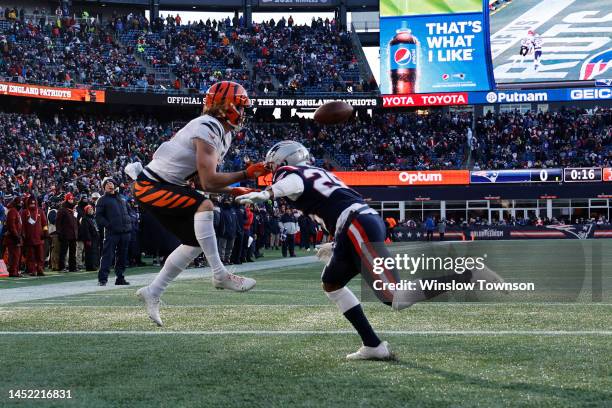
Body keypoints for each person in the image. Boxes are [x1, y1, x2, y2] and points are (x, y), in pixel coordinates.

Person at [236, 141, 505, 360]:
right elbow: (333, 202)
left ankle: (468, 275)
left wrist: (268, 193)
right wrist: (338, 240)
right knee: (332, 284)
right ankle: (373, 345)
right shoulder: (323, 173)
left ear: (284, 160)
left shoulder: (290, 174)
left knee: (395, 297)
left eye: (273, 165)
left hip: (356, 224)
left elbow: (295, 183)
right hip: (356, 223)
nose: (271, 169)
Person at [131, 81, 268, 327]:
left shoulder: (220, 132)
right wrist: (245, 174)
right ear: (227, 106)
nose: (243, 112)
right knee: (204, 206)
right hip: (150, 186)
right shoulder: (208, 127)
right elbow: (208, 180)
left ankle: (153, 291)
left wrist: (234, 189)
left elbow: (203, 182)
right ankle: (219, 274)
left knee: (195, 242)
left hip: (166, 185)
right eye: (240, 106)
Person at [96, 177, 132, 286]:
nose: (109, 185)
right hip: (112, 232)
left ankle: (120, 278)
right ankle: (102, 279)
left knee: (122, 256)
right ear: (104, 187)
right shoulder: (102, 200)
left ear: (115, 185)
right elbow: (99, 217)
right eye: (106, 184)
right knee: (107, 255)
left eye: (111, 183)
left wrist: (129, 224)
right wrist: (109, 225)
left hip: (125, 232)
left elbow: (128, 212)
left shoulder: (122, 198)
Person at [21, 195, 48, 276]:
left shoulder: (40, 211)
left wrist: (45, 232)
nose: (32, 205)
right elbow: (22, 225)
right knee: (30, 256)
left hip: (39, 238)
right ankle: (32, 270)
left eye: (34, 203)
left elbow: (44, 223)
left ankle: (40, 269)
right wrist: (23, 235)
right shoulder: (25, 212)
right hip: (29, 238)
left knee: (40, 255)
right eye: (31, 203)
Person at [56, 193, 79, 272]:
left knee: (73, 251)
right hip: (65, 234)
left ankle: (73, 267)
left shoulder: (73, 210)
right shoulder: (62, 210)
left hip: (73, 234)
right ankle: (61, 267)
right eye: (69, 199)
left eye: (72, 199)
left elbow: (75, 223)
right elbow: (58, 222)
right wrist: (59, 233)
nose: (71, 200)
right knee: (63, 251)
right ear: (66, 199)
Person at [3, 195, 24, 277]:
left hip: (15, 237)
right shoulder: (12, 211)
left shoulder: (15, 211)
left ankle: (14, 270)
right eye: (19, 203)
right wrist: (16, 236)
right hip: (13, 238)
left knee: (16, 255)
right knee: (14, 255)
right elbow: (12, 226)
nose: (21, 204)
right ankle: (13, 271)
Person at [79, 205, 100, 271]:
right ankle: (90, 266)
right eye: (89, 209)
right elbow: (85, 230)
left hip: (95, 238)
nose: (91, 210)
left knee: (94, 252)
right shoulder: (85, 219)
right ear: (86, 211)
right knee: (90, 253)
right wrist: (88, 239)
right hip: (90, 238)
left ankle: (94, 265)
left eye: (91, 209)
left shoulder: (93, 218)